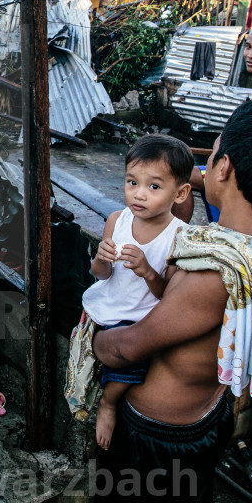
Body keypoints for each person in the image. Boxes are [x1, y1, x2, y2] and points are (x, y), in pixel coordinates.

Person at [93, 100, 252, 503]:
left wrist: (93, 339)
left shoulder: (212, 271)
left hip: (159, 433)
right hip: (212, 413)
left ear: (224, 167)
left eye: (211, 155)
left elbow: (126, 348)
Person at [85, 134, 192, 450]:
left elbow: (167, 295)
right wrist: (100, 258)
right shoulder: (117, 220)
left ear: (181, 192)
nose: (139, 194)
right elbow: (100, 274)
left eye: (154, 187)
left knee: (133, 364)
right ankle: (109, 396)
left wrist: (147, 270)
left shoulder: (178, 237)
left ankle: (108, 401)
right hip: (111, 305)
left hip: (143, 317)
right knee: (122, 357)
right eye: (132, 182)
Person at [172, 21, 252, 223]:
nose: (250, 54)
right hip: (249, 170)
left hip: (251, 179)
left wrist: (221, 165)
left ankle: (175, 240)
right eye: (248, 46)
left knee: (179, 179)